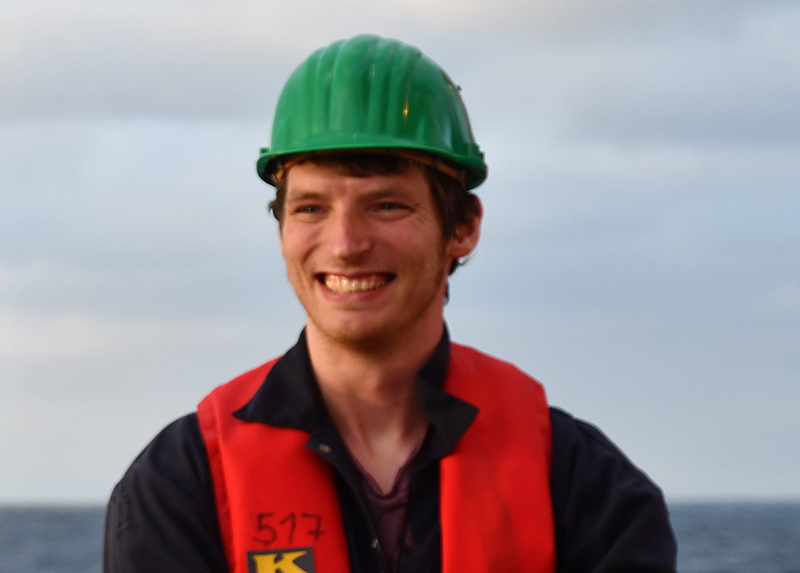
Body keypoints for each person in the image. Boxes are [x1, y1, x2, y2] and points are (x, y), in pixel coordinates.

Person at [104, 35, 677, 573]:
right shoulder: (182, 485)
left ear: (463, 227)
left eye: (387, 206)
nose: (346, 244)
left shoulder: (584, 486)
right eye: (310, 209)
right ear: (281, 231)